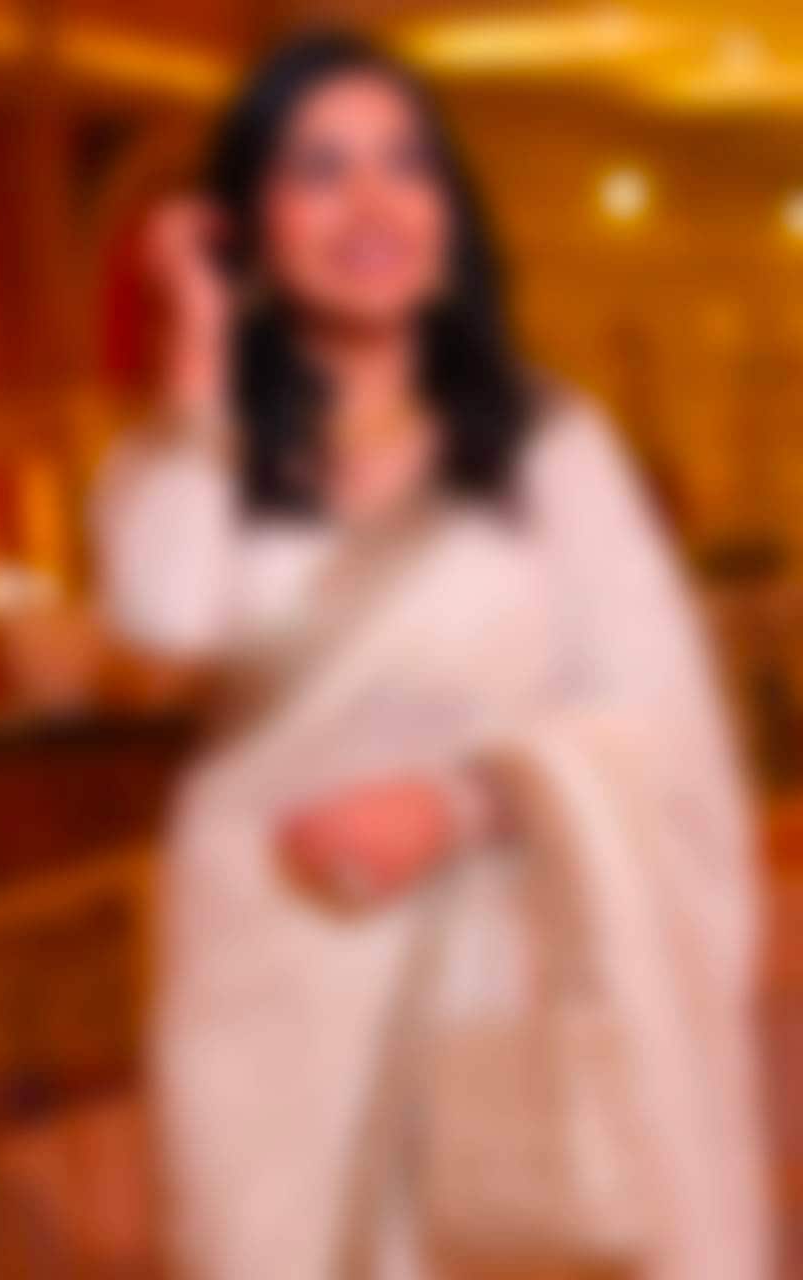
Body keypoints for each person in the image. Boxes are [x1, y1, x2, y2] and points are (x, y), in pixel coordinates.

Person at [93, 33, 771, 1280]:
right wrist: (196, 353)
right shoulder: (203, 453)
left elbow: (663, 722)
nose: (371, 203)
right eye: (318, 170)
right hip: (261, 995)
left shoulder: (547, 448)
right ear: (250, 224)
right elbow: (163, 617)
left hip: (490, 978)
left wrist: (463, 800)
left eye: (405, 164)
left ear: (448, 211)